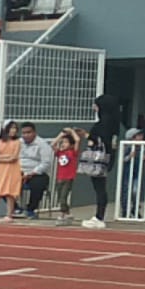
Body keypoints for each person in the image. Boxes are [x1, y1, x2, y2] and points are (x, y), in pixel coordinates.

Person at [78, 95, 118, 229]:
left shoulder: (103, 123)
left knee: (100, 188)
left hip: (99, 158)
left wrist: (87, 135)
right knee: (100, 187)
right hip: (107, 157)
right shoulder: (113, 122)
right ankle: (99, 216)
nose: (93, 107)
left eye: (96, 105)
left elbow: (99, 139)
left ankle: (99, 217)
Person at [17, 122, 54, 220]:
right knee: (3, 182)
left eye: (28, 132)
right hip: (19, 172)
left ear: (34, 133)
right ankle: (16, 208)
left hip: (36, 173)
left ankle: (31, 209)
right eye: (23, 133)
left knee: (38, 185)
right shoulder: (18, 143)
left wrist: (32, 173)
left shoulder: (42, 145)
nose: (26, 135)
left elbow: (46, 163)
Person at [0, 121, 23, 221]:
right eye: (11, 128)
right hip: (0, 169)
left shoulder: (17, 142)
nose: (13, 130)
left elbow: (14, 157)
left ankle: (9, 215)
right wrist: (7, 157)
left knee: (10, 192)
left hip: (13, 169)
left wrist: (3, 158)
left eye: (15, 128)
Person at [51, 130, 79, 222]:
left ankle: (63, 214)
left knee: (63, 197)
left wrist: (72, 132)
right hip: (60, 177)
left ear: (71, 145)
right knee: (60, 197)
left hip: (68, 178)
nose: (63, 144)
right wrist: (61, 135)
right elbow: (52, 144)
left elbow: (77, 140)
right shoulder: (60, 153)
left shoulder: (72, 153)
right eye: (63, 142)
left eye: (66, 142)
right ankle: (67, 213)